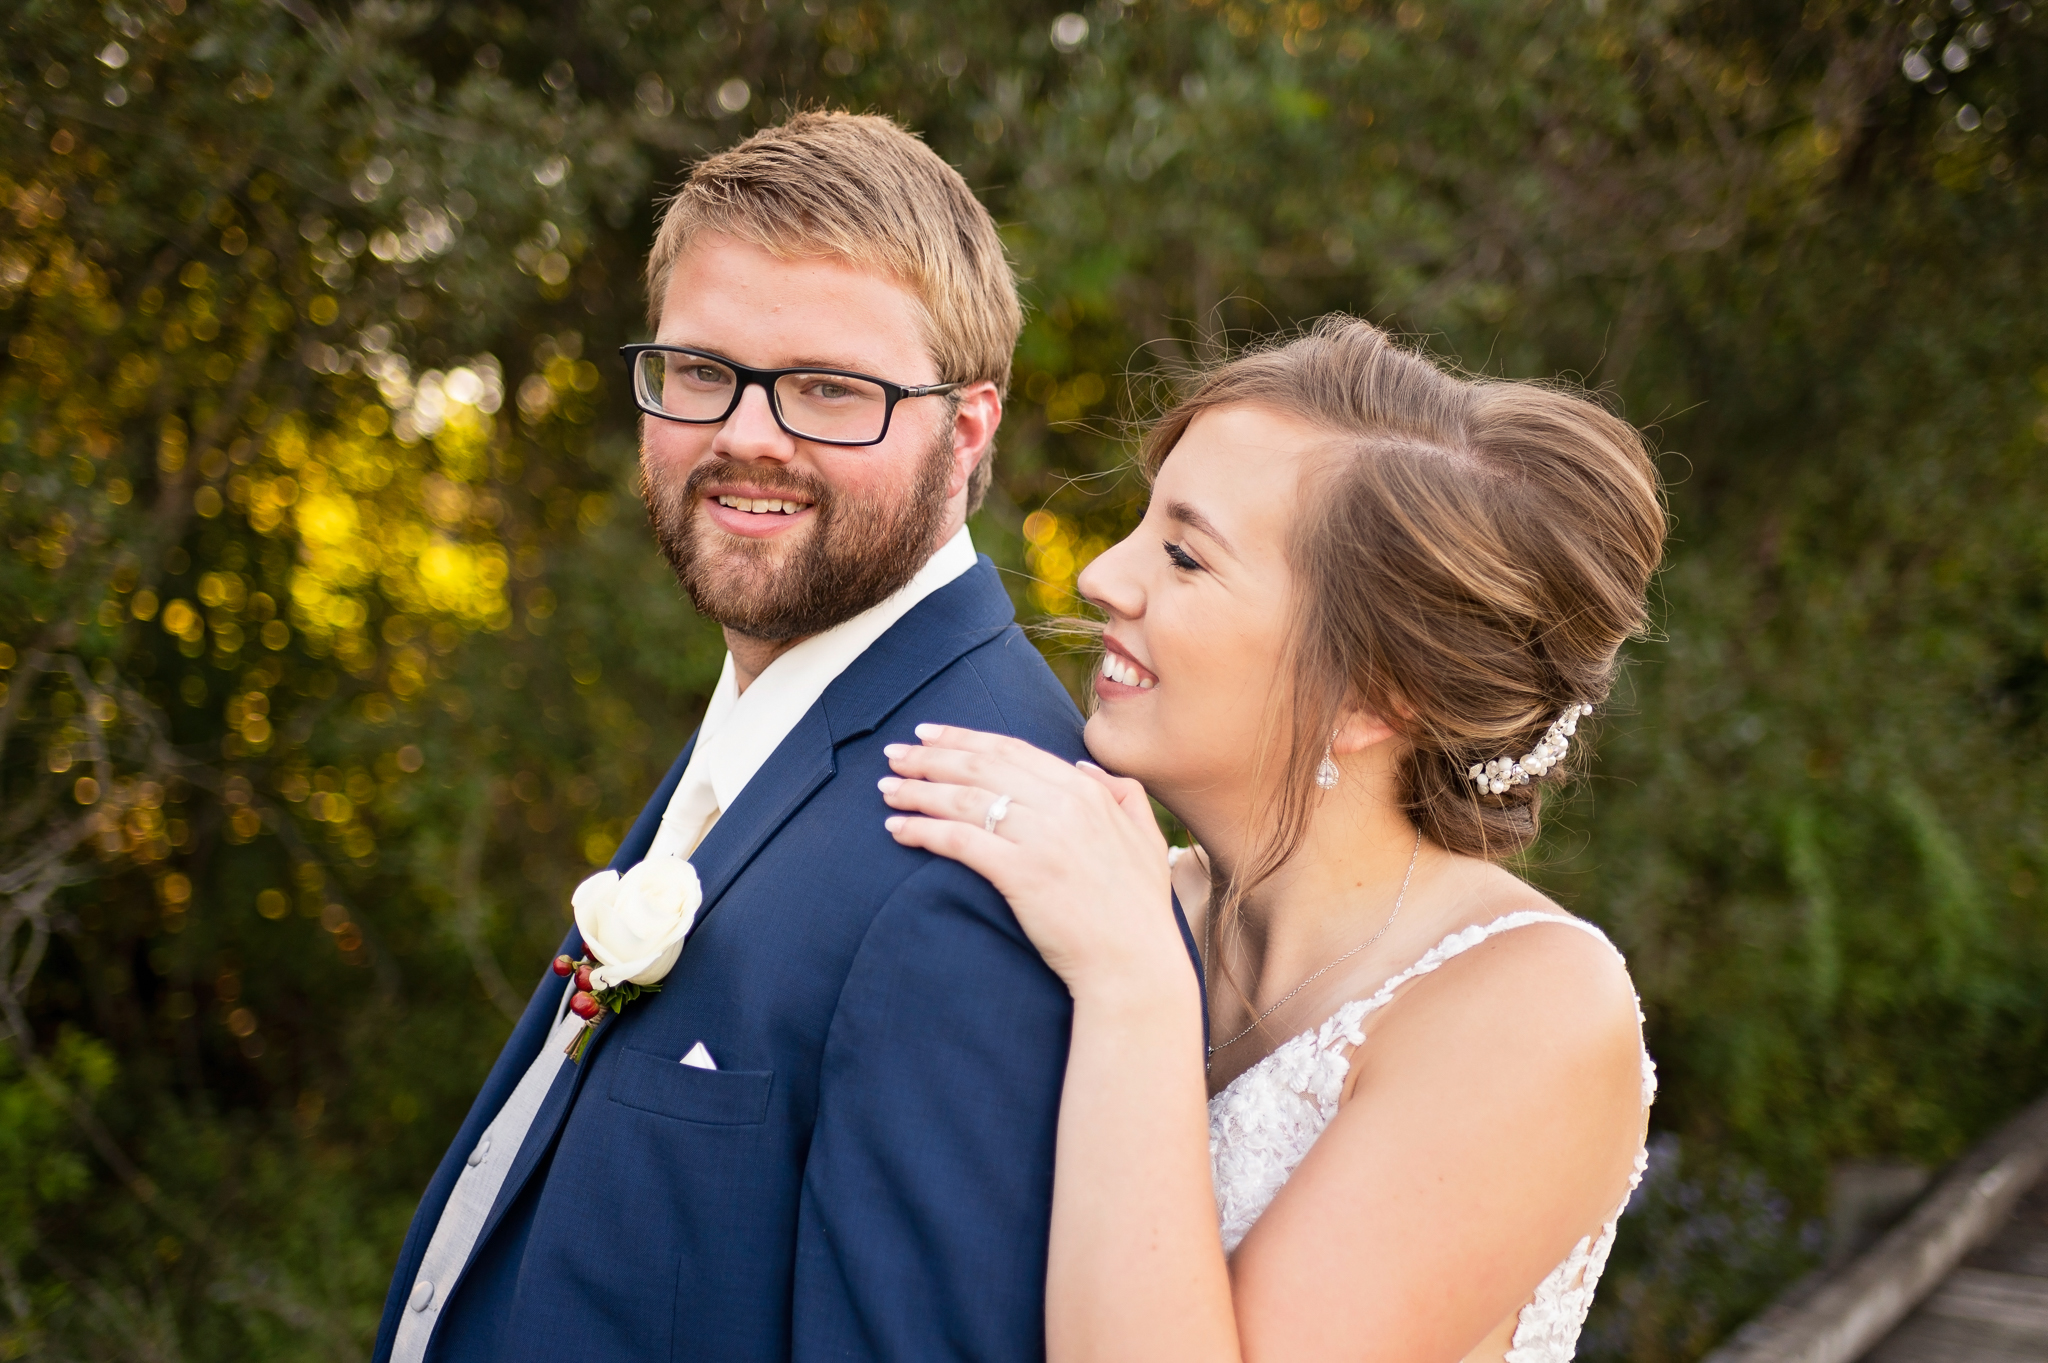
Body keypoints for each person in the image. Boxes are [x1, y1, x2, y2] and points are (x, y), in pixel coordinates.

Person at [374, 112, 1195, 1363]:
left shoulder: (976, 847)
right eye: (702, 372)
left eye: (828, 389)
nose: (747, 434)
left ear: (966, 428)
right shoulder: (784, 715)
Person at [881, 317, 1668, 1362]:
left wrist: (1132, 988)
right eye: (1140, 524)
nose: (1101, 579)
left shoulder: (1534, 1008)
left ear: (1370, 692)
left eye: (1184, 556)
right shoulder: (1119, 900)